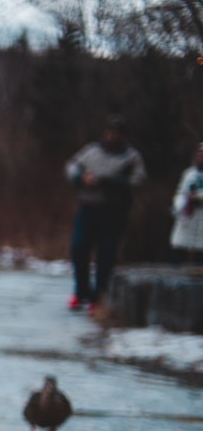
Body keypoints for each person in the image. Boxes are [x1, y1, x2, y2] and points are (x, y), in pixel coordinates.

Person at [64, 114, 147, 314]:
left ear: (123, 136)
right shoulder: (92, 151)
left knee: (106, 254)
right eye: (109, 132)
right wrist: (81, 177)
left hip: (113, 211)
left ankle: (99, 295)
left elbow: (138, 180)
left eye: (116, 133)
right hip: (87, 207)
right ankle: (81, 291)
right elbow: (71, 166)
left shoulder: (131, 157)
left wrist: (108, 180)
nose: (112, 136)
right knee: (78, 248)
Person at [170, 142, 203, 264]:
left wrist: (198, 197)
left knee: (199, 255)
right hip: (188, 217)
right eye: (200, 154)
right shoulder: (189, 174)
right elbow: (181, 192)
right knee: (179, 250)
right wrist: (179, 204)